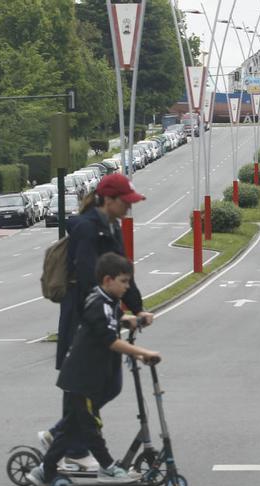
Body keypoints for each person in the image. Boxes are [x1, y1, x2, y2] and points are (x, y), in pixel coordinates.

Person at [39, 174, 154, 470]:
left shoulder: (111, 227)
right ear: (108, 200)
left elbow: (124, 272)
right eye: (124, 202)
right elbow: (91, 278)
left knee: (110, 384)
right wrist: (111, 315)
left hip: (104, 312)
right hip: (82, 313)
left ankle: (58, 434)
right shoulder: (87, 229)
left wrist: (139, 309)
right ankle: (74, 448)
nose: (128, 207)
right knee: (80, 383)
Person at [27, 253, 161, 486]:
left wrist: (135, 319)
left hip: (81, 377)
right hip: (83, 379)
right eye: (124, 281)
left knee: (71, 428)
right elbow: (109, 339)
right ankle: (108, 467)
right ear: (108, 280)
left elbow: (115, 320)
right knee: (90, 427)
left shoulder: (106, 301)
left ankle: (43, 471)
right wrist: (141, 352)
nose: (127, 286)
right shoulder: (98, 303)